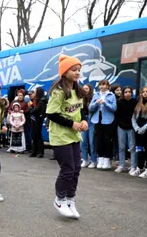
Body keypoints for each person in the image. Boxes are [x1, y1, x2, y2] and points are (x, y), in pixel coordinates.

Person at [46, 55, 87, 218]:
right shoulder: (59, 92)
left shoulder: (78, 90)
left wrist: (83, 120)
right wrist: (71, 124)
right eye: (73, 69)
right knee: (68, 169)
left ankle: (71, 199)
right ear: (64, 72)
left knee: (76, 169)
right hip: (60, 136)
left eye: (79, 70)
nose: (77, 73)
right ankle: (59, 199)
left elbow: (82, 109)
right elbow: (51, 114)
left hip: (74, 136)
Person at [89, 79, 117, 170]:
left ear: (108, 86)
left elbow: (114, 108)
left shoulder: (111, 95)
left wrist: (105, 103)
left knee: (107, 140)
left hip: (108, 120)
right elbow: (90, 108)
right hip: (97, 119)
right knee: (99, 139)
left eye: (104, 85)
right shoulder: (96, 95)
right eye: (100, 85)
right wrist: (96, 103)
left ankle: (107, 159)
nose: (102, 87)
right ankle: (100, 158)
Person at [115, 86, 139, 175]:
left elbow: (136, 114)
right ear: (123, 93)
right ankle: (121, 165)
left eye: (129, 92)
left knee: (132, 147)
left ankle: (133, 166)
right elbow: (116, 114)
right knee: (121, 147)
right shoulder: (119, 102)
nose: (127, 93)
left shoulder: (135, 102)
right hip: (121, 126)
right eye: (125, 92)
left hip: (131, 126)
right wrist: (119, 123)